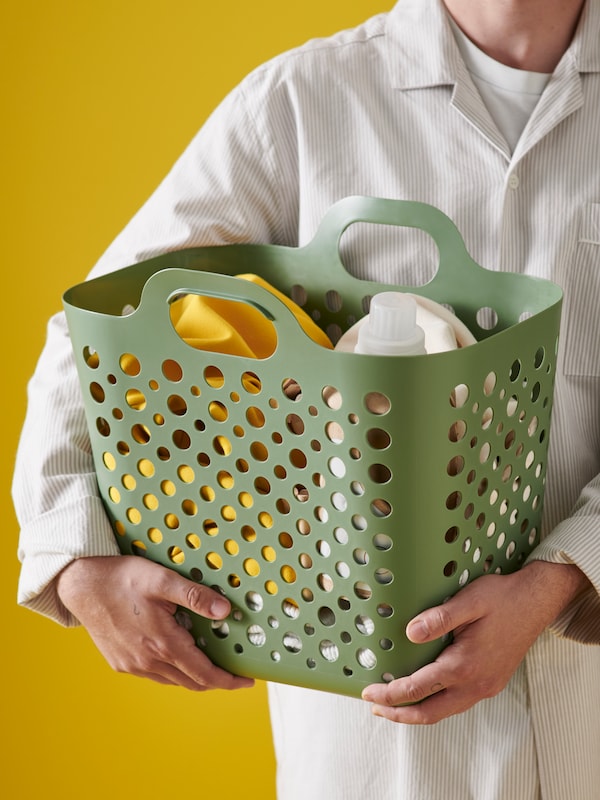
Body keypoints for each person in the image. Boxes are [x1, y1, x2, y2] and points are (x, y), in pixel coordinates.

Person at [12, 0, 600, 797]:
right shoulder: (300, 103)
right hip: (371, 742)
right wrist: (72, 552)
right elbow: (109, 323)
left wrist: (560, 580)